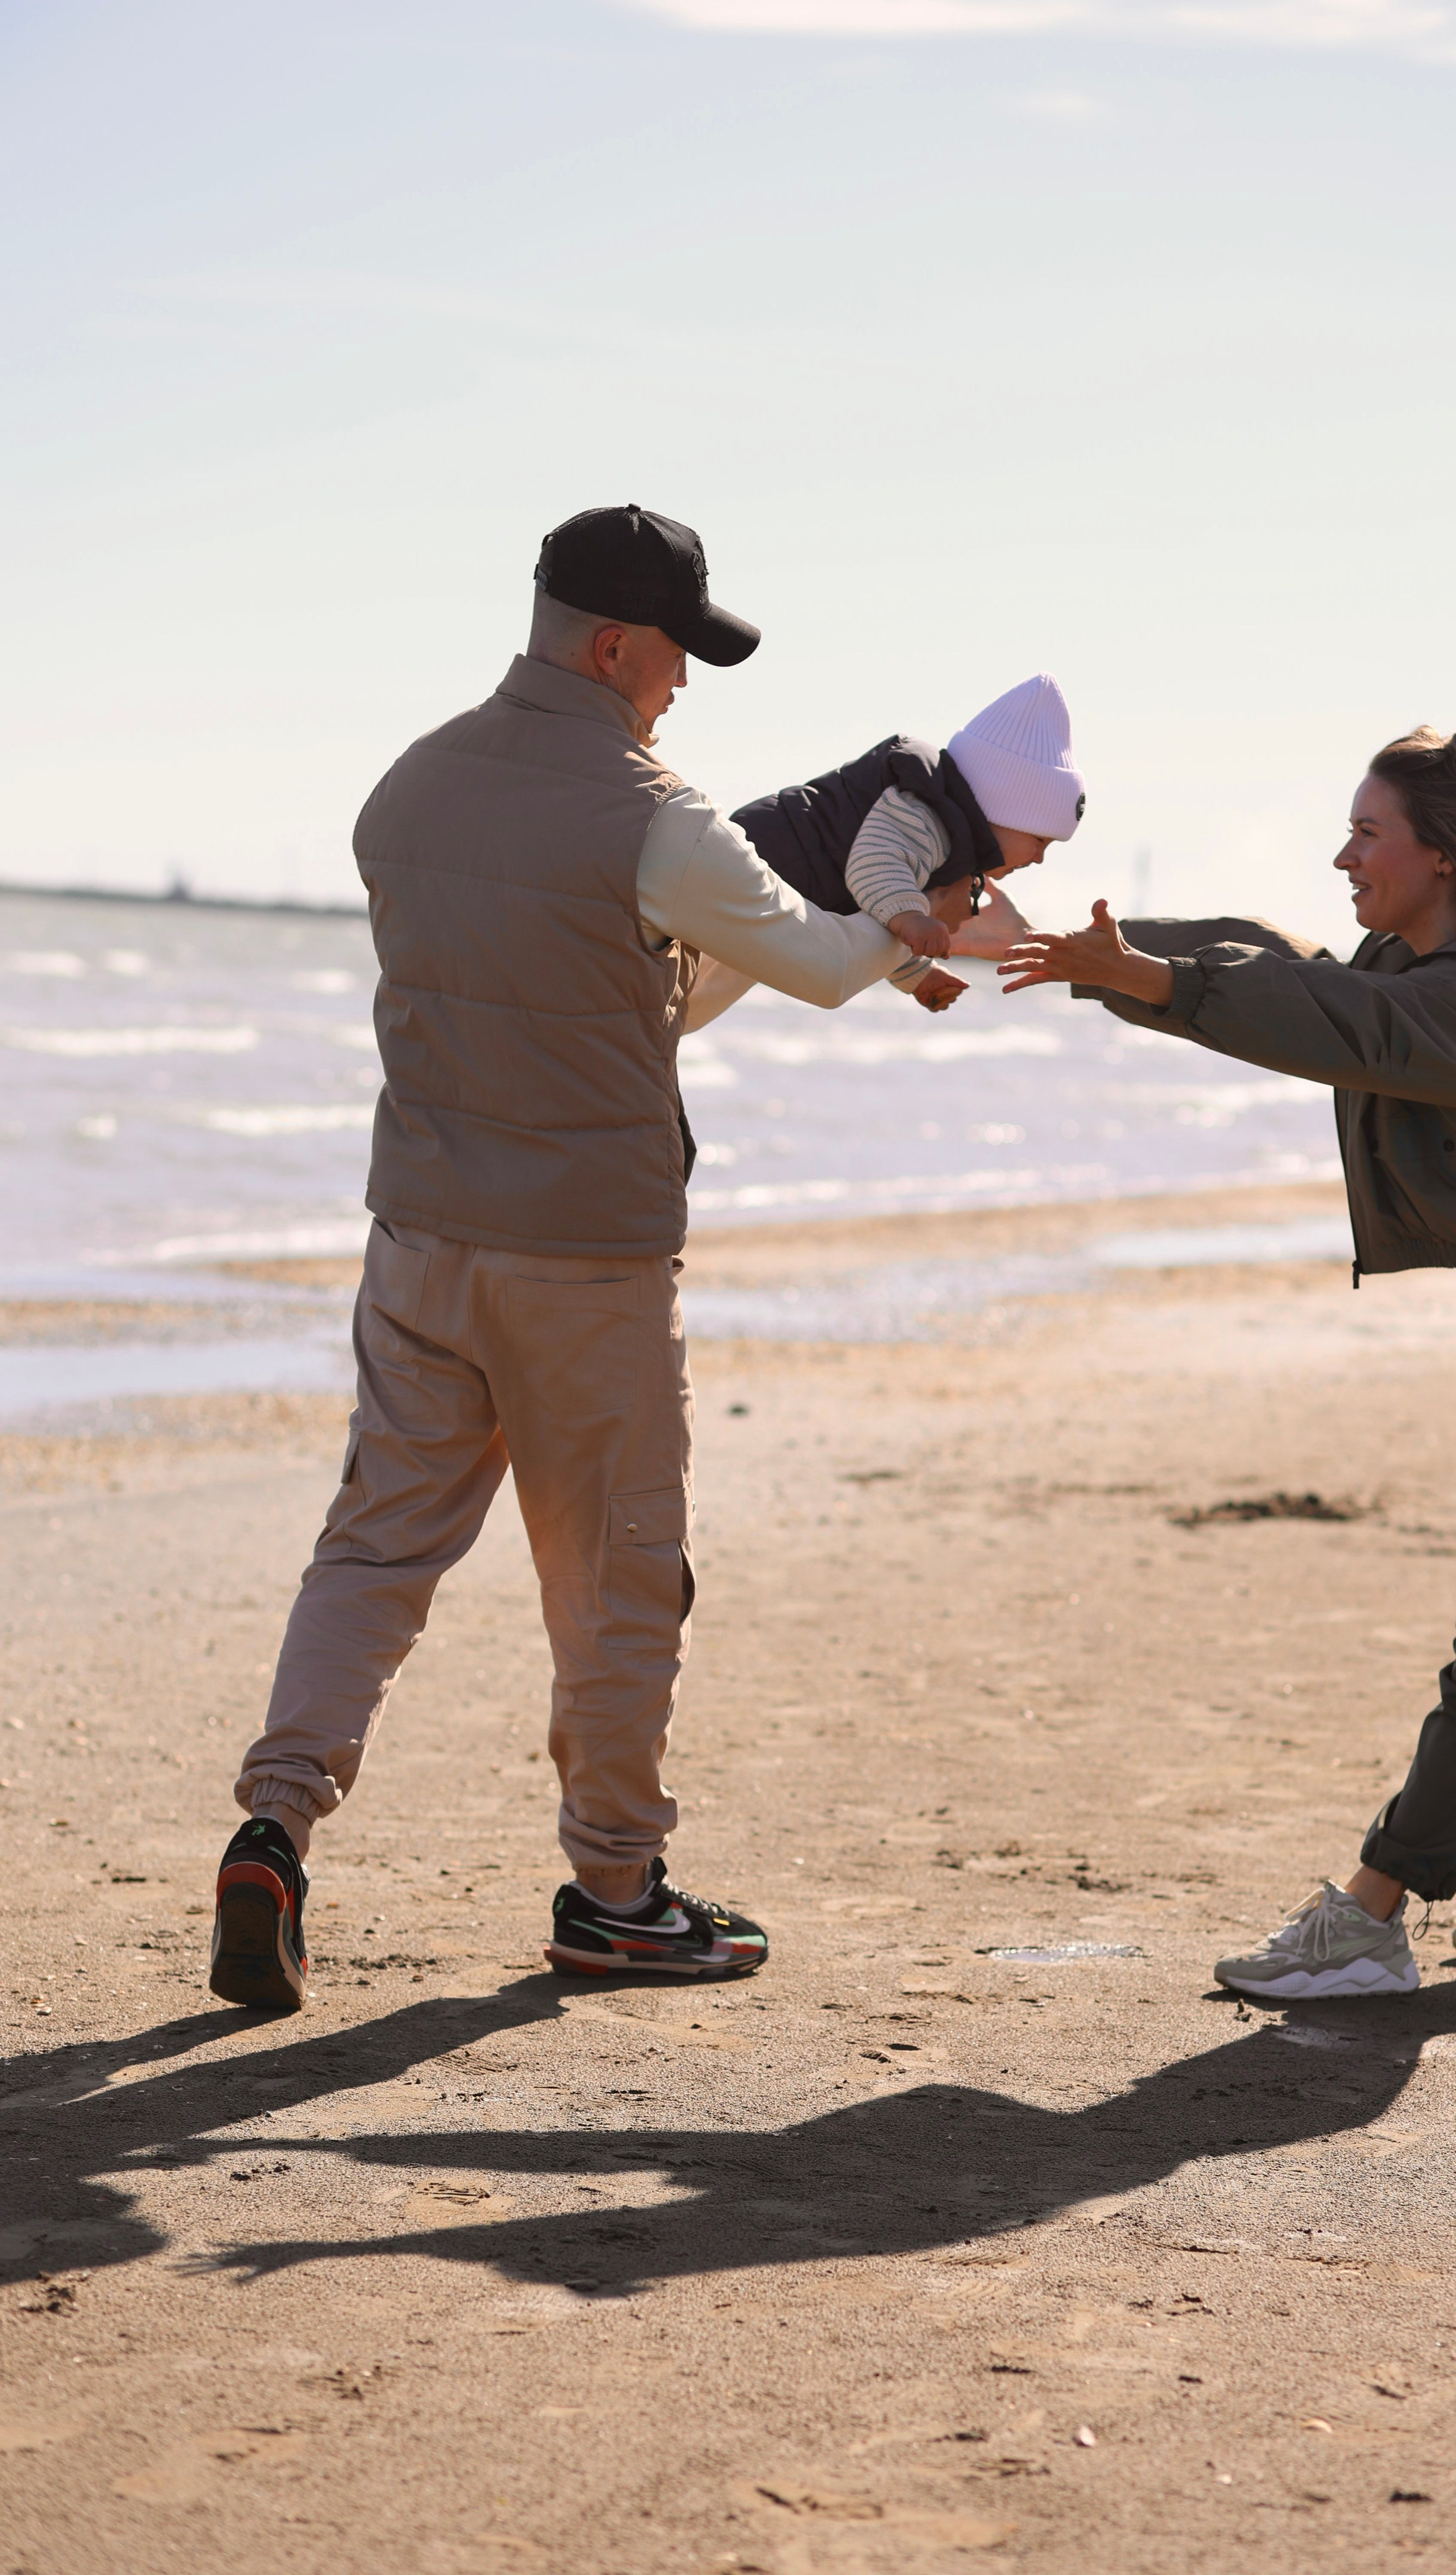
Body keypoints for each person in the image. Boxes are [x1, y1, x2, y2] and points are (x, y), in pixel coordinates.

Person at [210, 503, 959, 2013]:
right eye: (677, 654)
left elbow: (584, 1002)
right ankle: (616, 1893)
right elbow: (818, 969)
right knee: (619, 1582)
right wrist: (915, 914)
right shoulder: (653, 815)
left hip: (417, 1246)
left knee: (373, 1550)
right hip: (588, 1272)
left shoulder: (401, 792)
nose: (683, 684)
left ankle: (272, 1826)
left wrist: (734, 946)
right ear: (614, 642)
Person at [1002, 726, 1456, 1999]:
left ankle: (1376, 1911)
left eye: (1367, 834)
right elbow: (1288, 958)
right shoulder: (1441, 962)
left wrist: (1153, 985)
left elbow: (1342, 1017)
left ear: (1443, 854)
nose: (1344, 857)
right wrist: (1069, 945)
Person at [729, 675, 1085, 1013]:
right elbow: (874, 867)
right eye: (1039, 839)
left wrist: (917, 974)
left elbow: (876, 907)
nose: (1039, 858)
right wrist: (915, 920)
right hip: (743, 873)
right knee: (696, 989)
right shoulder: (924, 816)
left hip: (756, 897)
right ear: (1001, 809)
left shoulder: (942, 834)